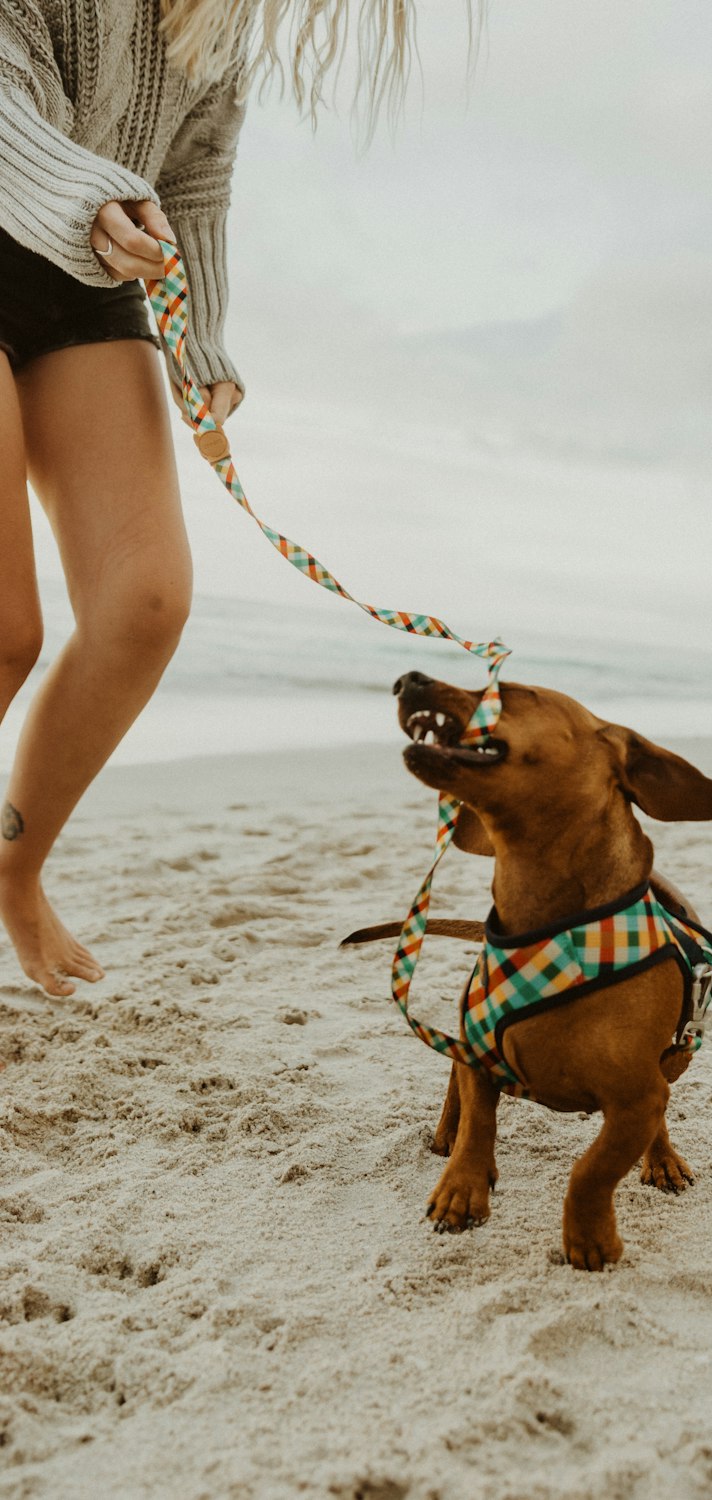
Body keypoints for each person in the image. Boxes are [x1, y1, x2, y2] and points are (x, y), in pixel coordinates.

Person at [0, 0, 455, 997]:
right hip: (40, 200)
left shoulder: (226, 14)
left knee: (145, 606)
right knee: (4, 630)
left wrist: (200, 343)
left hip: (85, 270)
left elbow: (195, 169)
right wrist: (89, 200)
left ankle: (15, 869)